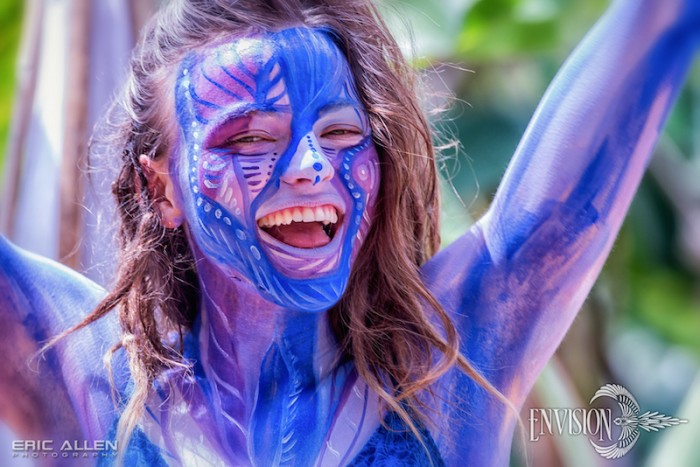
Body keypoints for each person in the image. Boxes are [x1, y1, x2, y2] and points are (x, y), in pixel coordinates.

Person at [0, 0, 698, 465]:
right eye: (249, 139)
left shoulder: (445, 372)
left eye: (338, 133)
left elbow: (659, 21)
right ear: (163, 189)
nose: (311, 166)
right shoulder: (87, 382)